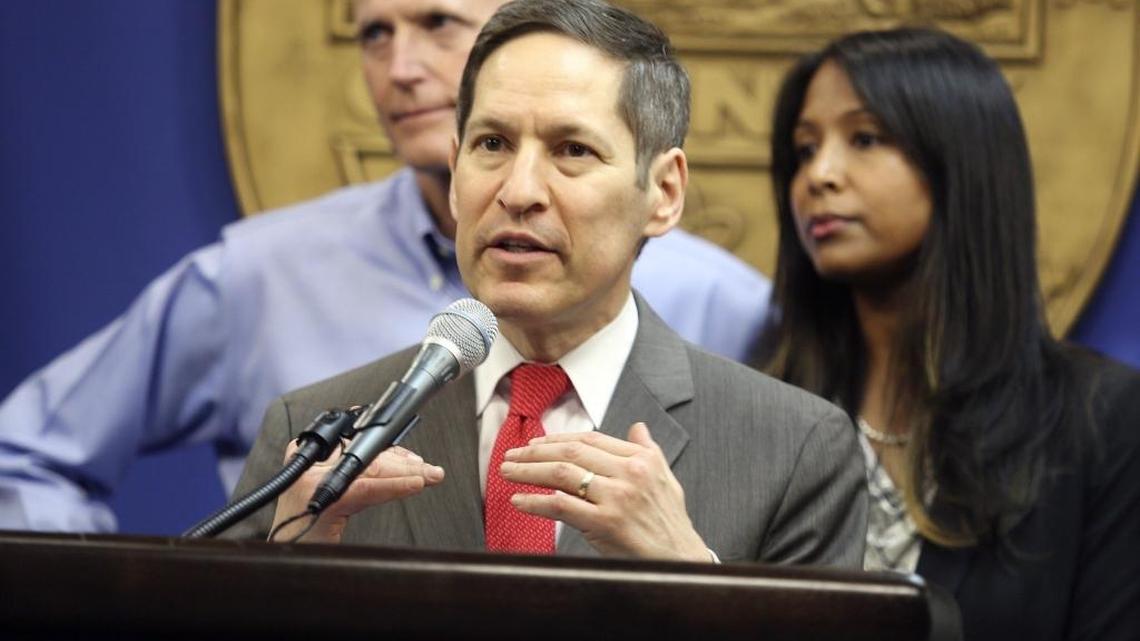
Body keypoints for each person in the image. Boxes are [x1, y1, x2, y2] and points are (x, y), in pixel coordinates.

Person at [0, 0, 771, 533]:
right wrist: (117, 597)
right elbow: (25, 454)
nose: (400, 67)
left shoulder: (714, 299)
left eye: (438, 23)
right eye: (374, 33)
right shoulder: (259, 276)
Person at [229, 0, 866, 567]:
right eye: (492, 144)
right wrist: (292, 569)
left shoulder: (795, 448)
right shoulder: (310, 437)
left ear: (664, 193)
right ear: (455, 174)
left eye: (572, 151)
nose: (519, 191)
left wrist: (691, 572)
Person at [758, 27, 1140, 639]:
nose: (819, 176)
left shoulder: (1101, 419)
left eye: (865, 138)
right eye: (804, 150)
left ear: (962, 160)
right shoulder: (764, 407)